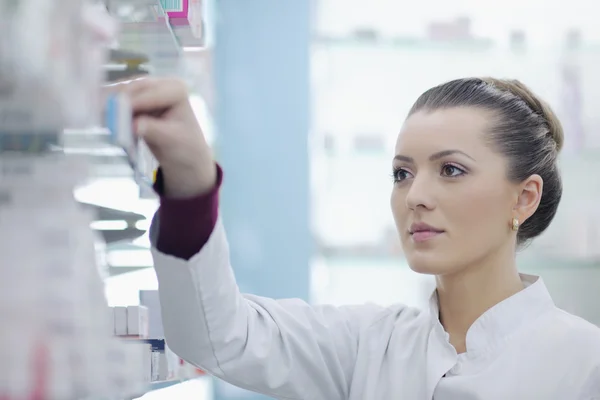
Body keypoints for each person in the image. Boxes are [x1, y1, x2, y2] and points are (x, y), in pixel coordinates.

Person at [125, 76, 600, 399]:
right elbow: (220, 337)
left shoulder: (584, 363)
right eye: (401, 173)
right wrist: (190, 187)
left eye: (451, 169)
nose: (416, 195)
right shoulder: (369, 344)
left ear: (524, 199)